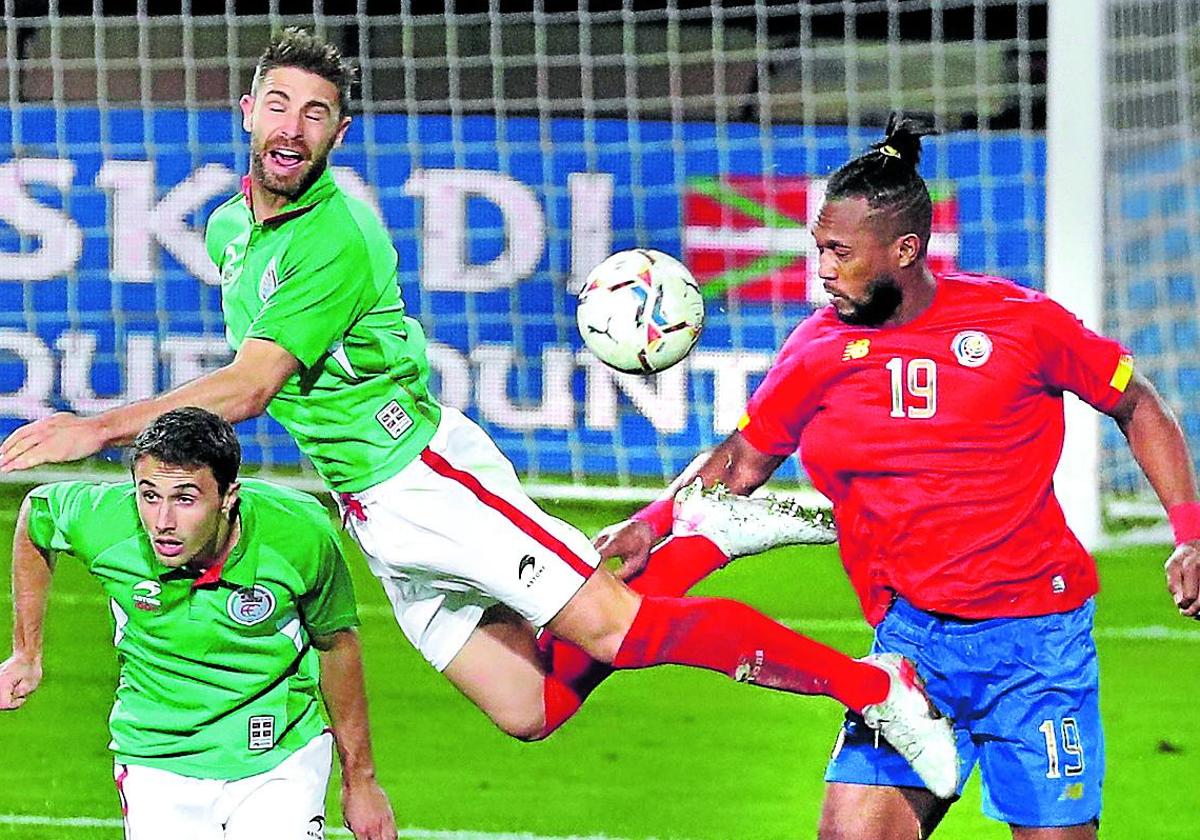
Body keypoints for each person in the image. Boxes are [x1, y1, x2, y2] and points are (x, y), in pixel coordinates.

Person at [0, 29, 959, 798]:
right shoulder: (229, 226)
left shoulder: (336, 233)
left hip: (420, 475)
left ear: (340, 134)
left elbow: (251, 387)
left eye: (319, 113)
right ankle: (696, 533)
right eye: (280, 105)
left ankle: (877, 688)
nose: (294, 127)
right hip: (374, 509)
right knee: (529, 707)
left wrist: (97, 427)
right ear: (246, 112)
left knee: (615, 632)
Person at [595, 113, 1200, 840]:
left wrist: (1189, 534)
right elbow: (740, 463)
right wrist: (650, 522)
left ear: (906, 249)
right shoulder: (817, 349)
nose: (822, 268)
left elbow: (1136, 402)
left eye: (840, 252)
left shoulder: (1021, 324)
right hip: (911, 648)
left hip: (1035, 644)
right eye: (818, 247)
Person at [0, 407, 396, 840]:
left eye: (185, 498)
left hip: (279, 757)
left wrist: (362, 781)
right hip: (158, 759)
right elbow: (38, 515)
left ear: (229, 496)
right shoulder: (108, 522)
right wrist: (26, 653)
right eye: (149, 495)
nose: (163, 522)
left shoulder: (300, 534)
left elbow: (336, 644)